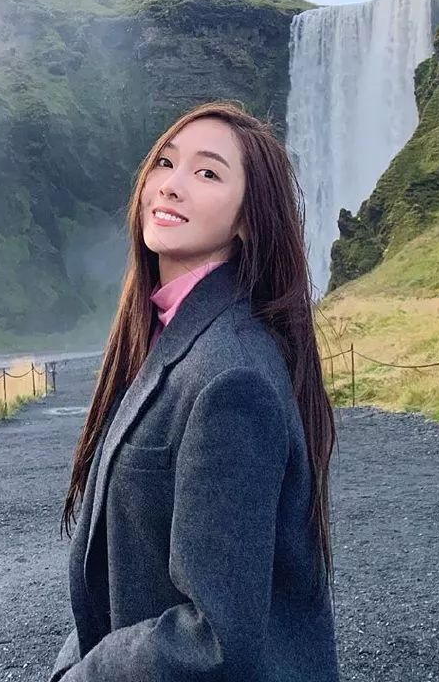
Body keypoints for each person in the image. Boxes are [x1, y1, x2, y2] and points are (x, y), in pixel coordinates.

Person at [46, 98, 341, 681]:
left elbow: (215, 639)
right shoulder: (168, 340)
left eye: (207, 173)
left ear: (248, 219)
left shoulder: (231, 380)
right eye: (165, 162)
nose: (171, 185)